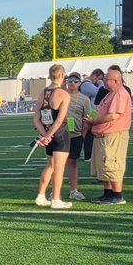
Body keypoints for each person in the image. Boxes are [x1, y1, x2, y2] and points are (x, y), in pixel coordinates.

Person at [31, 64, 73, 209]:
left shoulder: (42, 93)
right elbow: (60, 120)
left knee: (50, 166)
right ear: (62, 76)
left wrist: (45, 135)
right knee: (59, 168)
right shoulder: (63, 94)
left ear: (50, 76)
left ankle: (41, 195)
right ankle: (55, 199)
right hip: (60, 135)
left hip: (47, 133)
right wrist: (49, 135)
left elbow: (36, 118)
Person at [91, 66, 133, 205]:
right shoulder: (110, 93)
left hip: (113, 135)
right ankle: (108, 194)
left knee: (113, 164)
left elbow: (113, 116)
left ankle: (117, 195)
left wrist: (94, 121)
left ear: (115, 80)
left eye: (106, 79)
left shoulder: (120, 93)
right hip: (104, 134)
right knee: (104, 165)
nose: (103, 81)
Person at [64, 72, 90, 201]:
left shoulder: (84, 99)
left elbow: (87, 119)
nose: (72, 83)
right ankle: (53, 191)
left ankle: (73, 190)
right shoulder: (60, 95)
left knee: (73, 163)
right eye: (70, 80)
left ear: (80, 83)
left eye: (75, 81)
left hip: (76, 135)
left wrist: (82, 135)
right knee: (56, 164)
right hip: (60, 135)